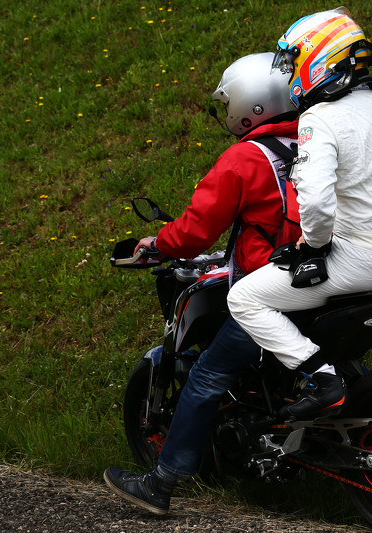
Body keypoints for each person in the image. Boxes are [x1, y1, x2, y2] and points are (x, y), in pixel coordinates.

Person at [103, 52, 300, 516]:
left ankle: (159, 484)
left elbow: (196, 231)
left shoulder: (245, 158)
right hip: (334, 276)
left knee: (208, 374)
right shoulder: (317, 141)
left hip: (272, 287)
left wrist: (157, 243)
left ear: (250, 107)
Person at [228, 7, 372, 419]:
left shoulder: (321, 117)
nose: (290, 72)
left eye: (293, 61)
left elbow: (315, 202)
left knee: (243, 299)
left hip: (359, 262)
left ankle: (322, 378)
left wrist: (312, 245)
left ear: (318, 59)